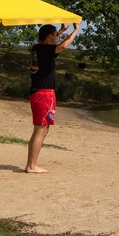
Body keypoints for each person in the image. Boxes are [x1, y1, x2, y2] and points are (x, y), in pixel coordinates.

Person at [24, 22, 78, 174]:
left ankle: (31, 164)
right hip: (44, 94)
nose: (57, 37)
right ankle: (32, 166)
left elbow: (54, 43)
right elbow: (64, 45)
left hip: (39, 93)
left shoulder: (38, 48)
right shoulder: (45, 49)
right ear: (49, 36)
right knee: (41, 130)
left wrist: (60, 30)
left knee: (41, 129)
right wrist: (75, 31)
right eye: (55, 34)